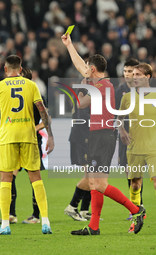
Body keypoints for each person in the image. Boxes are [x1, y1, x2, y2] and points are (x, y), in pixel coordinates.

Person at [61, 33, 145, 236]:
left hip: (103, 136)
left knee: (99, 183)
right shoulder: (99, 83)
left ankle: (136, 210)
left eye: (88, 67)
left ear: (93, 69)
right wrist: (69, 45)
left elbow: (80, 103)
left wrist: (80, 90)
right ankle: (93, 227)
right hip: (98, 134)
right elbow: (81, 65)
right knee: (92, 182)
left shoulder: (102, 86)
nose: (85, 69)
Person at [0, 55, 54, 235]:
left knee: (6, 179)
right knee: (36, 178)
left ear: (6, 69)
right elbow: (43, 111)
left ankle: (5, 224)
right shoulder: (32, 85)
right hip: (29, 135)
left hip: (8, 136)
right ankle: (45, 221)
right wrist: (50, 135)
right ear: (20, 69)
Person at [118, 63, 156, 234]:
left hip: (154, 148)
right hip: (134, 148)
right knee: (136, 185)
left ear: (148, 77)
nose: (134, 77)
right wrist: (121, 129)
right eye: (133, 74)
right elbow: (118, 118)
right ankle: (136, 219)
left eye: (138, 74)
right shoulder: (127, 98)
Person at [0, 67, 51, 224]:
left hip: (31, 141)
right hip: (18, 140)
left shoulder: (35, 95)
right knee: (12, 176)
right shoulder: (26, 93)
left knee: (32, 178)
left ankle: (35, 216)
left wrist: (34, 128)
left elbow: (48, 118)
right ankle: (11, 215)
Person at [64, 79, 93, 222]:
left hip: (81, 137)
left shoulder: (83, 91)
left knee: (91, 175)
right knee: (90, 176)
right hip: (83, 138)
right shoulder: (85, 92)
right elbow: (82, 118)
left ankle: (84, 210)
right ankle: (72, 207)